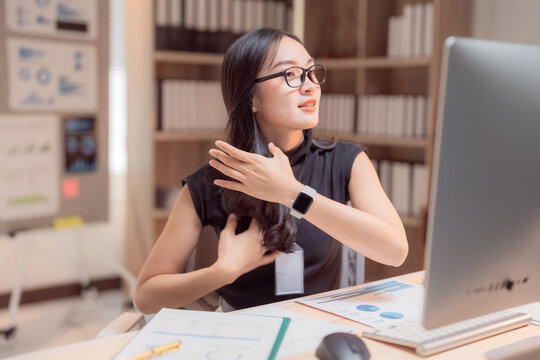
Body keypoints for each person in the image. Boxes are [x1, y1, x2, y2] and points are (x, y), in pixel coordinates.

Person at [134, 28, 408, 314]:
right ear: (251, 96)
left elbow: (395, 250)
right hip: (244, 342)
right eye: (290, 74)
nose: (310, 85)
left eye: (311, 71)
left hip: (321, 335)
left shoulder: (346, 160)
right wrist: (223, 272)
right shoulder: (211, 181)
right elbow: (146, 296)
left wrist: (292, 193)